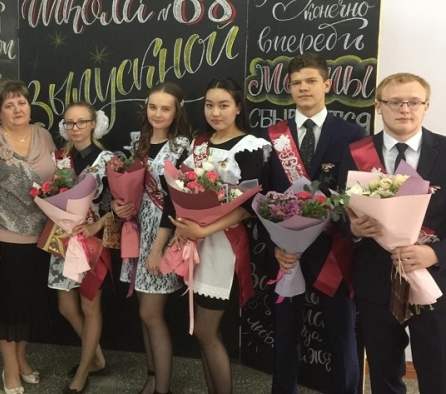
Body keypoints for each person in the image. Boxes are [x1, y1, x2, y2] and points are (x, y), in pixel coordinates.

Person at [261, 53, 365, 394]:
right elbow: (260, 196)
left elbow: (358, 194)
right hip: (286, 252)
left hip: (334, 250)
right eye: (296, 83)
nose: (303, 88)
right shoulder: (272, 136)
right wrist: (276, 246)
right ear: (288, 88)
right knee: (285, 334)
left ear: (327, 84)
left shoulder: (352, 133)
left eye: (310, 81)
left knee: (342, 335)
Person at [340, 73, 446, 394]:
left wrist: (435, 253)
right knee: (384, 375)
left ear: (426, 106)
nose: (404, 109)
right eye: (395, 102)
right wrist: (353, 228)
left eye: (414, 102)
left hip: (435, 282)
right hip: (376, 283)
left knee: (438, 372)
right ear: (378, 106)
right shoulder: (354, 152)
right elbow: (339, 211)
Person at [169, 78, 270, 394]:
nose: (215, 112)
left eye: (224, 105)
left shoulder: (251, 146)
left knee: (206, 329)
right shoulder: (199, 145)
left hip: (223, 246)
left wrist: (204, 229)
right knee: (202, 331)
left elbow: (250, 205)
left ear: (238, 107)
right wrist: (184, 225)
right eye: (209, 105)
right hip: (196, 243)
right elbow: (183, 187)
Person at [0, 79, 55, 394]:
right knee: (6, 308)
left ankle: (21, 358)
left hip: (42, 240)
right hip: (4, 242)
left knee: (28, 305)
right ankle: (10, 368)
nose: (17, 109)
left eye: (22, 103)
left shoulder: (44, 136)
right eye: (9, 105)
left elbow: (59, 182)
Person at [114, 82, 191, 394]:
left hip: (162, 233)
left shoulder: (182, 147)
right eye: (153, 107)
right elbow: (128, 186)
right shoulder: (138, 143)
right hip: (136, 230)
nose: (158, 114)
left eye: (165, 108)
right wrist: (119, 205)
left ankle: (163, 387)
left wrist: (158, 249)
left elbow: (174, 201)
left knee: (151, 313)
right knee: (143, 312)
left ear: (176, 112)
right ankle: (152, 377)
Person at [49, 102, 115, 394]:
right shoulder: (59, 158)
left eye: (81, 122)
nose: (74, 128)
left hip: (91, 240)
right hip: (62, 238)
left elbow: (121, 206)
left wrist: (96, 225)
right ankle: (97, 357)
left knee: (90, 306)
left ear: (93, 124)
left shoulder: (108, 160)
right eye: (69, 123)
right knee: (66, 306)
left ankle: (82, 373)